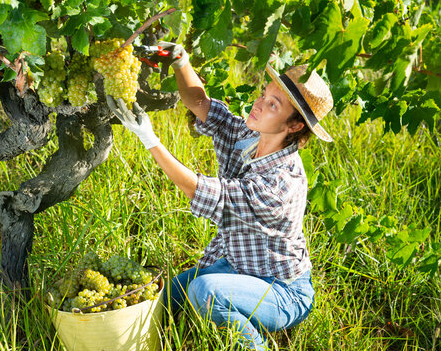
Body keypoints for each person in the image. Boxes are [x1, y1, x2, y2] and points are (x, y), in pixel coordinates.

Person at [107, 42, 334, 350]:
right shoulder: (249, 136)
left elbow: (201, 190)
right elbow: (202, 106)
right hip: (238, 265)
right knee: (168, 298)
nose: (259, 103)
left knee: (206, 291)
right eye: (264, 94)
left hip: (282, 291)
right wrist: (180, 62)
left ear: (294, 125)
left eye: (273, 105)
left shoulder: (282, 184)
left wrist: (150, 139)